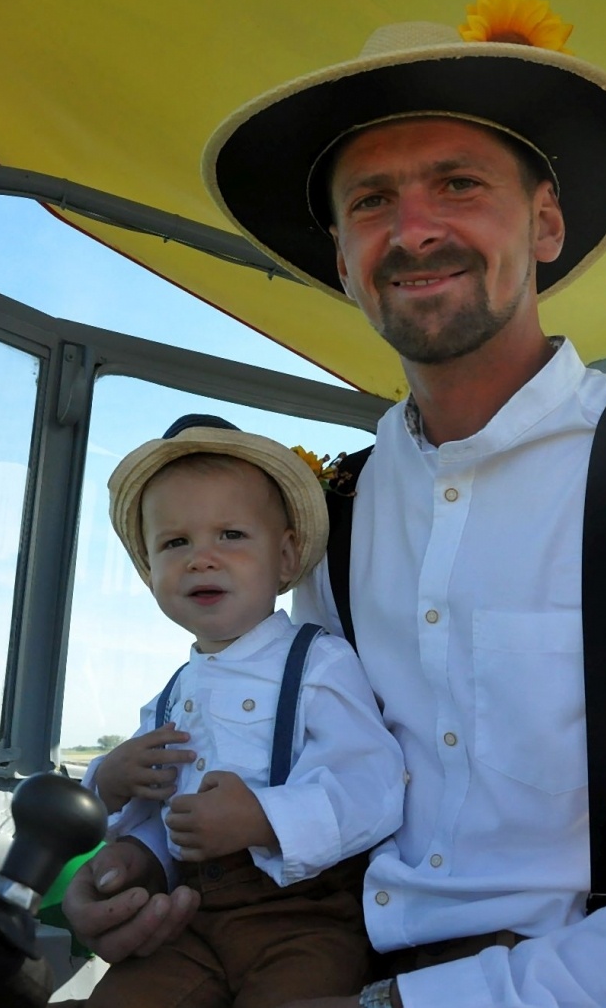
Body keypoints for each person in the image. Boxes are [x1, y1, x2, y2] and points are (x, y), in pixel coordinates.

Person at [65, 0, 606, 1007]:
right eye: (369, 202)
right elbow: (306, 780)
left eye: (456, 183)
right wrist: (144, 880)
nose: (412, 230)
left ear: (542, 225)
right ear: (345, 262)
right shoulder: (334, 513)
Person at [67, 415, 405, 1007]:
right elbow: (161, 816)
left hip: (305, 919)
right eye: (176, 543)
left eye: (230, 535)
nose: (202, 558)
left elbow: (373, 786)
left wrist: (264, 820)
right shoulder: (174, 693)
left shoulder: (318, 663)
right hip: (190, 917)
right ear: (150, 574)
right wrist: (111, 785)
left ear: (285, 557)